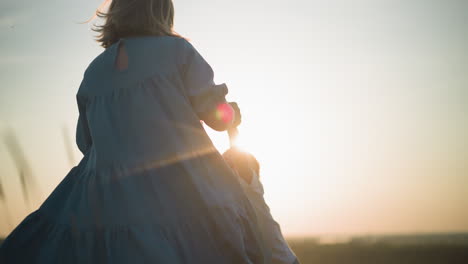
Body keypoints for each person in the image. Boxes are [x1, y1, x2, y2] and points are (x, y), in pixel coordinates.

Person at [0, 0, 267, 263]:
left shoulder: (94, 71)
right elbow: (216, 116)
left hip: (112, 202)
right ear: (162, 11)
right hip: (182, 191)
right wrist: (232, 112)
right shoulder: (177, 51)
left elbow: (86, 142)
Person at [223, 137, 300, 264]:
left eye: (228, 162)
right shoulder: (229, 199)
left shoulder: (252, 188)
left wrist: (232, 128)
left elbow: (239, 159)